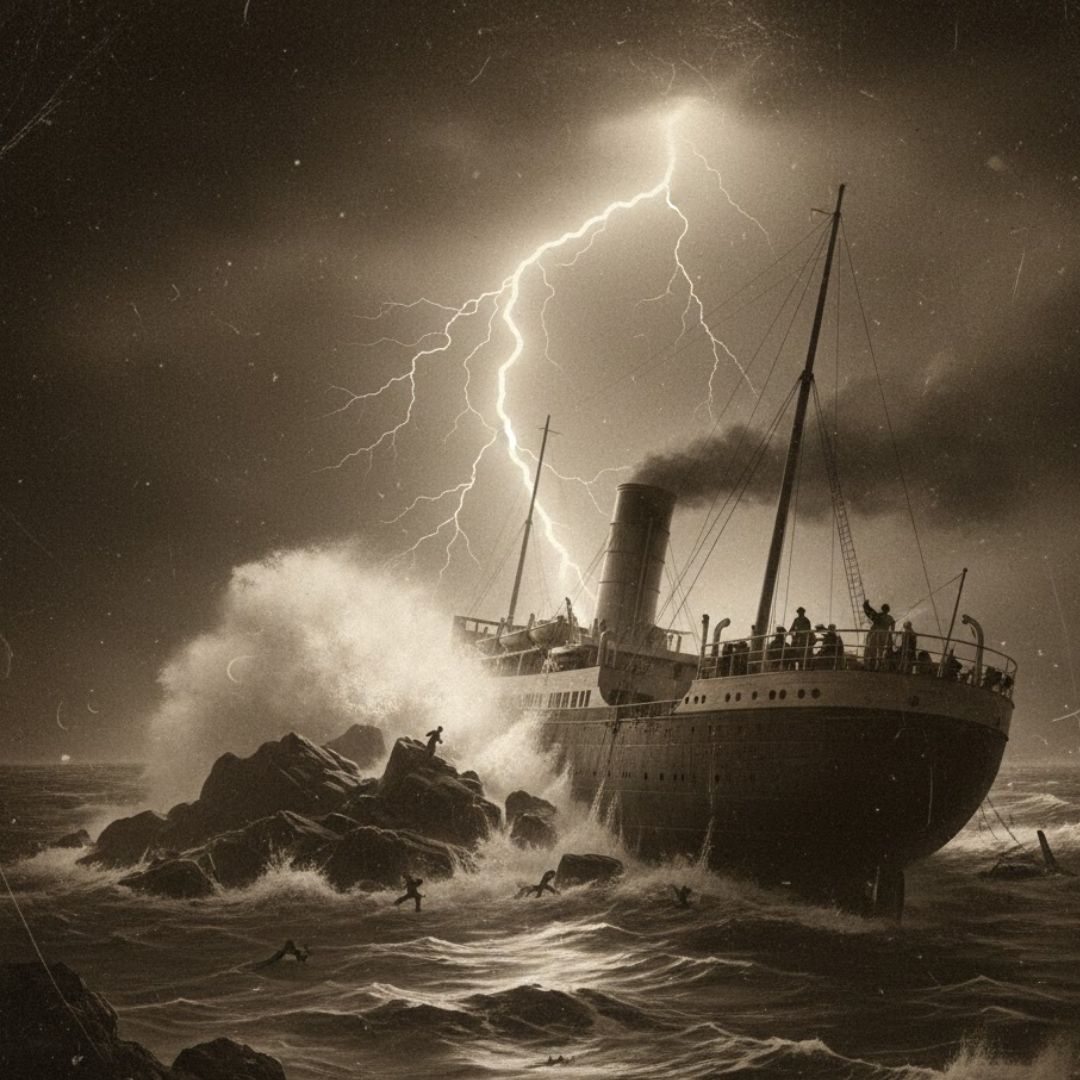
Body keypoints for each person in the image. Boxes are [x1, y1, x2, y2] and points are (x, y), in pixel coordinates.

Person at [862, 600, 895, 670]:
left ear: (882, 609)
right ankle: (879, 666)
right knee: (881, 651)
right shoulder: (890, 618)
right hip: (885, 636)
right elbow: (892, 628)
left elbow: (870, 614)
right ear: (888, 610)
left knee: (872, 649)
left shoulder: (879, 616)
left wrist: (866, 606)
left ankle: (871, 666)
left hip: (876, 634)